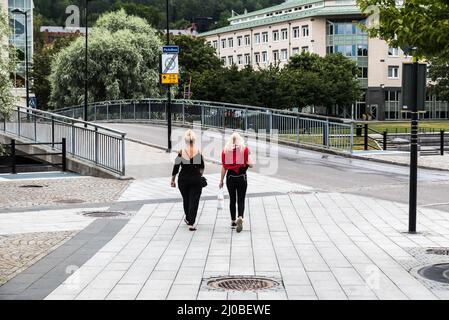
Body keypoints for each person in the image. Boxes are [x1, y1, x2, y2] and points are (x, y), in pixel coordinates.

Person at [219, 132, 253, 233]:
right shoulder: (244, 149)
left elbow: (224, 167)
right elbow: (251, 164)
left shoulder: (225, 151)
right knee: (241, 199)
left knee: (232, 199)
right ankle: (240, 217)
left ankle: (233, 221)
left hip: (230, 177)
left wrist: (221, 180)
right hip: (242, 177)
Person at [171, 130, 205, 231]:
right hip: (195, 179)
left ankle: (187, 217)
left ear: (185, 141)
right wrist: (199, 175)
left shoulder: (181, 152)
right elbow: (202, 167)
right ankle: (191, 223)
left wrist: (172, 180)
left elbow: (176, 167)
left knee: (186, 199)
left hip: (183, 180)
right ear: (194, 140)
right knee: (194, 201)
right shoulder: (198, 152)